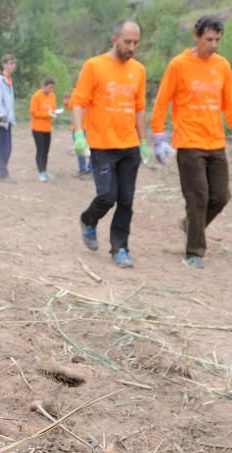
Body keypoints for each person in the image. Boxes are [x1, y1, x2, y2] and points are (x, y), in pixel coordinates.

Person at [150, 14, 232, 269]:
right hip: (188, 142)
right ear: (196, 37)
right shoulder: (178, 65)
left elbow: (231, 102)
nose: (213, 44)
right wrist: (159, 136)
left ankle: (190, 226)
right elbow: (162, 101)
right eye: (208, 39)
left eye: (217, 39)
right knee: (198, 197)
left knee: (221, 196)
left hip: (215, 141)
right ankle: (194, 252)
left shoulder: (222, 65)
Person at [70, 20, 147, 268]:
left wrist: (143, 142)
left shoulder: (139, 70)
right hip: (102, 145)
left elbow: (139, 109)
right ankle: (88, 220)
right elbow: (79, 102)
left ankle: (120, 248)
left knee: (126, 200)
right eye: (127, 42)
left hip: (129, 146)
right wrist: (79, 134)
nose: (132, 47)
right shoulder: (94, 66)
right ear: (114, 40)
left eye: (136, 42)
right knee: (107, 196)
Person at [0, 54, 17, 183]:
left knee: (8, 147)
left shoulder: (8, 79)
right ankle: (3, 174)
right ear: (4, 64)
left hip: (8, 119)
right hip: (2, 119)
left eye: (14, 63)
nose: (13, 66)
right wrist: (2, 115)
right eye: (10, 63)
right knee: (4, 147)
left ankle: (4, 172)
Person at [29, 77, 58, 182]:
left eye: (52, 88)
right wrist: (47, 114)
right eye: (50, 87)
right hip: (37, 128)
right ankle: (40, 172)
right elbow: (33, 112)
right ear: (44, 86)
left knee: (46, 151)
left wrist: (54, 113)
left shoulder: (52, 96)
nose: (51, 90)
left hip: (47, 128)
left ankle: (45, 170)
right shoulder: (36, 96)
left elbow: (53, 109)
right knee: (40, 150)